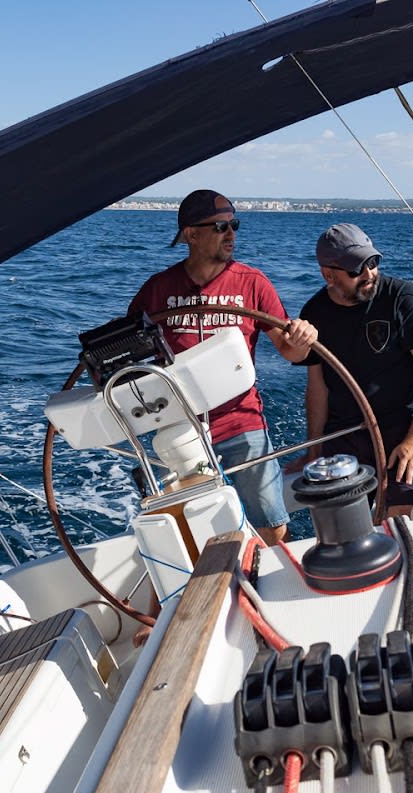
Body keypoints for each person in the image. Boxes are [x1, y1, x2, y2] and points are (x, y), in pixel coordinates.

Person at [128, 189, 316, 544]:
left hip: (241, 422)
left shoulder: (253, 283)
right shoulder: (157, 290)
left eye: (234, 225)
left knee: (272, 526)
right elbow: (128, 354)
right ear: (190, 234)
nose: (231, 234)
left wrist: (303, 338)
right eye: (220, 227)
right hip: (179, 429)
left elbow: (290, 351)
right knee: (192, 532)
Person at [296, 223, 413, 518]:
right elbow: (317, 387)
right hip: (345, 433)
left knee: (399, 517)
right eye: (356, 269)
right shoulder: (315, 313)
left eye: (372, 262)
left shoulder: (402, 299)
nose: (369, 273)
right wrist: (314, 449)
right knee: (338, 522)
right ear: (329, 275)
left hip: (405, 427)